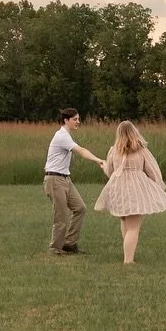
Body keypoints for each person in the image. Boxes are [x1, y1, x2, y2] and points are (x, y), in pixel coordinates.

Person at [94, 120, 166, 264]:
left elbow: (111, 172)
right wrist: (158, 185)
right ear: (134, 132)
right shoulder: (141, 150)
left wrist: (104, 165)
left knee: (125, 221)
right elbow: (152, 171)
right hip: (134, 189)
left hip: (119, 189)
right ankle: (128, 261)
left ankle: (128, 255)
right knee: (133, 227)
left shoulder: (114, 150)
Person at [43, 108, 107, 255]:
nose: (78, 122)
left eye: (78, 119)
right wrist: (98, 160)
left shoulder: (67, 135)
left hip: (65, 178)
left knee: (80, 208)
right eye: (75, 119)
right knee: (61, 215)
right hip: (54, 179)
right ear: (66, 120)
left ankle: (69, 244)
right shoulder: (61, 136)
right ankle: (54, 249)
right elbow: (81, 151)